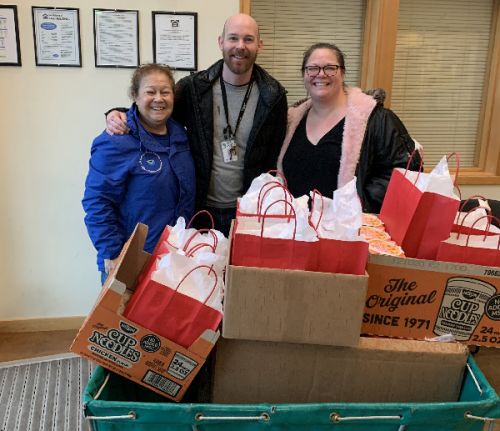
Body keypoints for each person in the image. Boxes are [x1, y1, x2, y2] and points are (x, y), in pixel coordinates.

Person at [105, 14, 288, 237]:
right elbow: (157, 112)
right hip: (198, 210)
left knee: (237, 272)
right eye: (233, 38)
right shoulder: (194, 88)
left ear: (259, 44)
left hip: (247, 212)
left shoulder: (273, 95)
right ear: (221, 42)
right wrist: (120, 114)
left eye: (248, 39)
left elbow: (274, 156)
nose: (240, 46)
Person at [83, 64, 195, 283]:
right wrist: (113, 252)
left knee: (168, 317)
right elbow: (97, 202)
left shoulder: (181, 137)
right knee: (123, 317)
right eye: (150, 92)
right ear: (134, 95)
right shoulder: (115, 141)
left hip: (174, 257)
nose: (158, 98)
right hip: (131, 258)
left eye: (165, 92)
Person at [278, 42, 421, 213]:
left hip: (348, 231)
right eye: (313, 68)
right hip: (296, 229)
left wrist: (357, 203)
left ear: (343, 73)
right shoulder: (291, 121)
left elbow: (405, 172)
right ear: (304, 74)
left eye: (330, 68)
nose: (321, 74)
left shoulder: (376, 119)